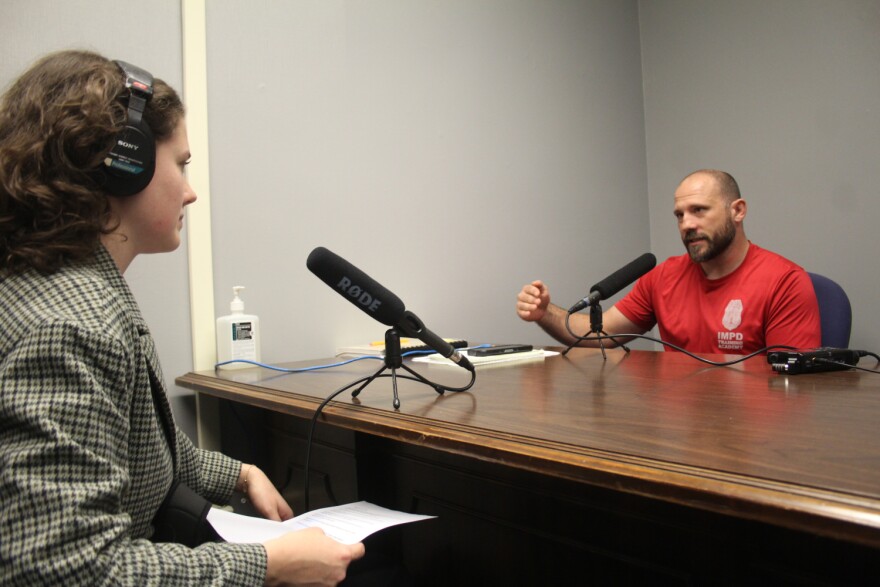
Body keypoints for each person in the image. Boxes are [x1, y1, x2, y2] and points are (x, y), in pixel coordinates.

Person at [0, 50, 363, 585]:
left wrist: (240, 473)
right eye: (182, 163)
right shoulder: (71, 325)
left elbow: (136, 448)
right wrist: (269, 564)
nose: (190, 192)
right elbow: (65, 570)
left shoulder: (65, 286)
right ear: (127, 163)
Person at [516, 169, 821, 354]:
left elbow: (791, 388)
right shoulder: (664, 277)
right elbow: (602, 333)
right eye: (679, 215)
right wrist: (545, 313)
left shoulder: (785, 282)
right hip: (681, 431)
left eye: (699, 210)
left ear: (737, 211)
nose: (687, 224)